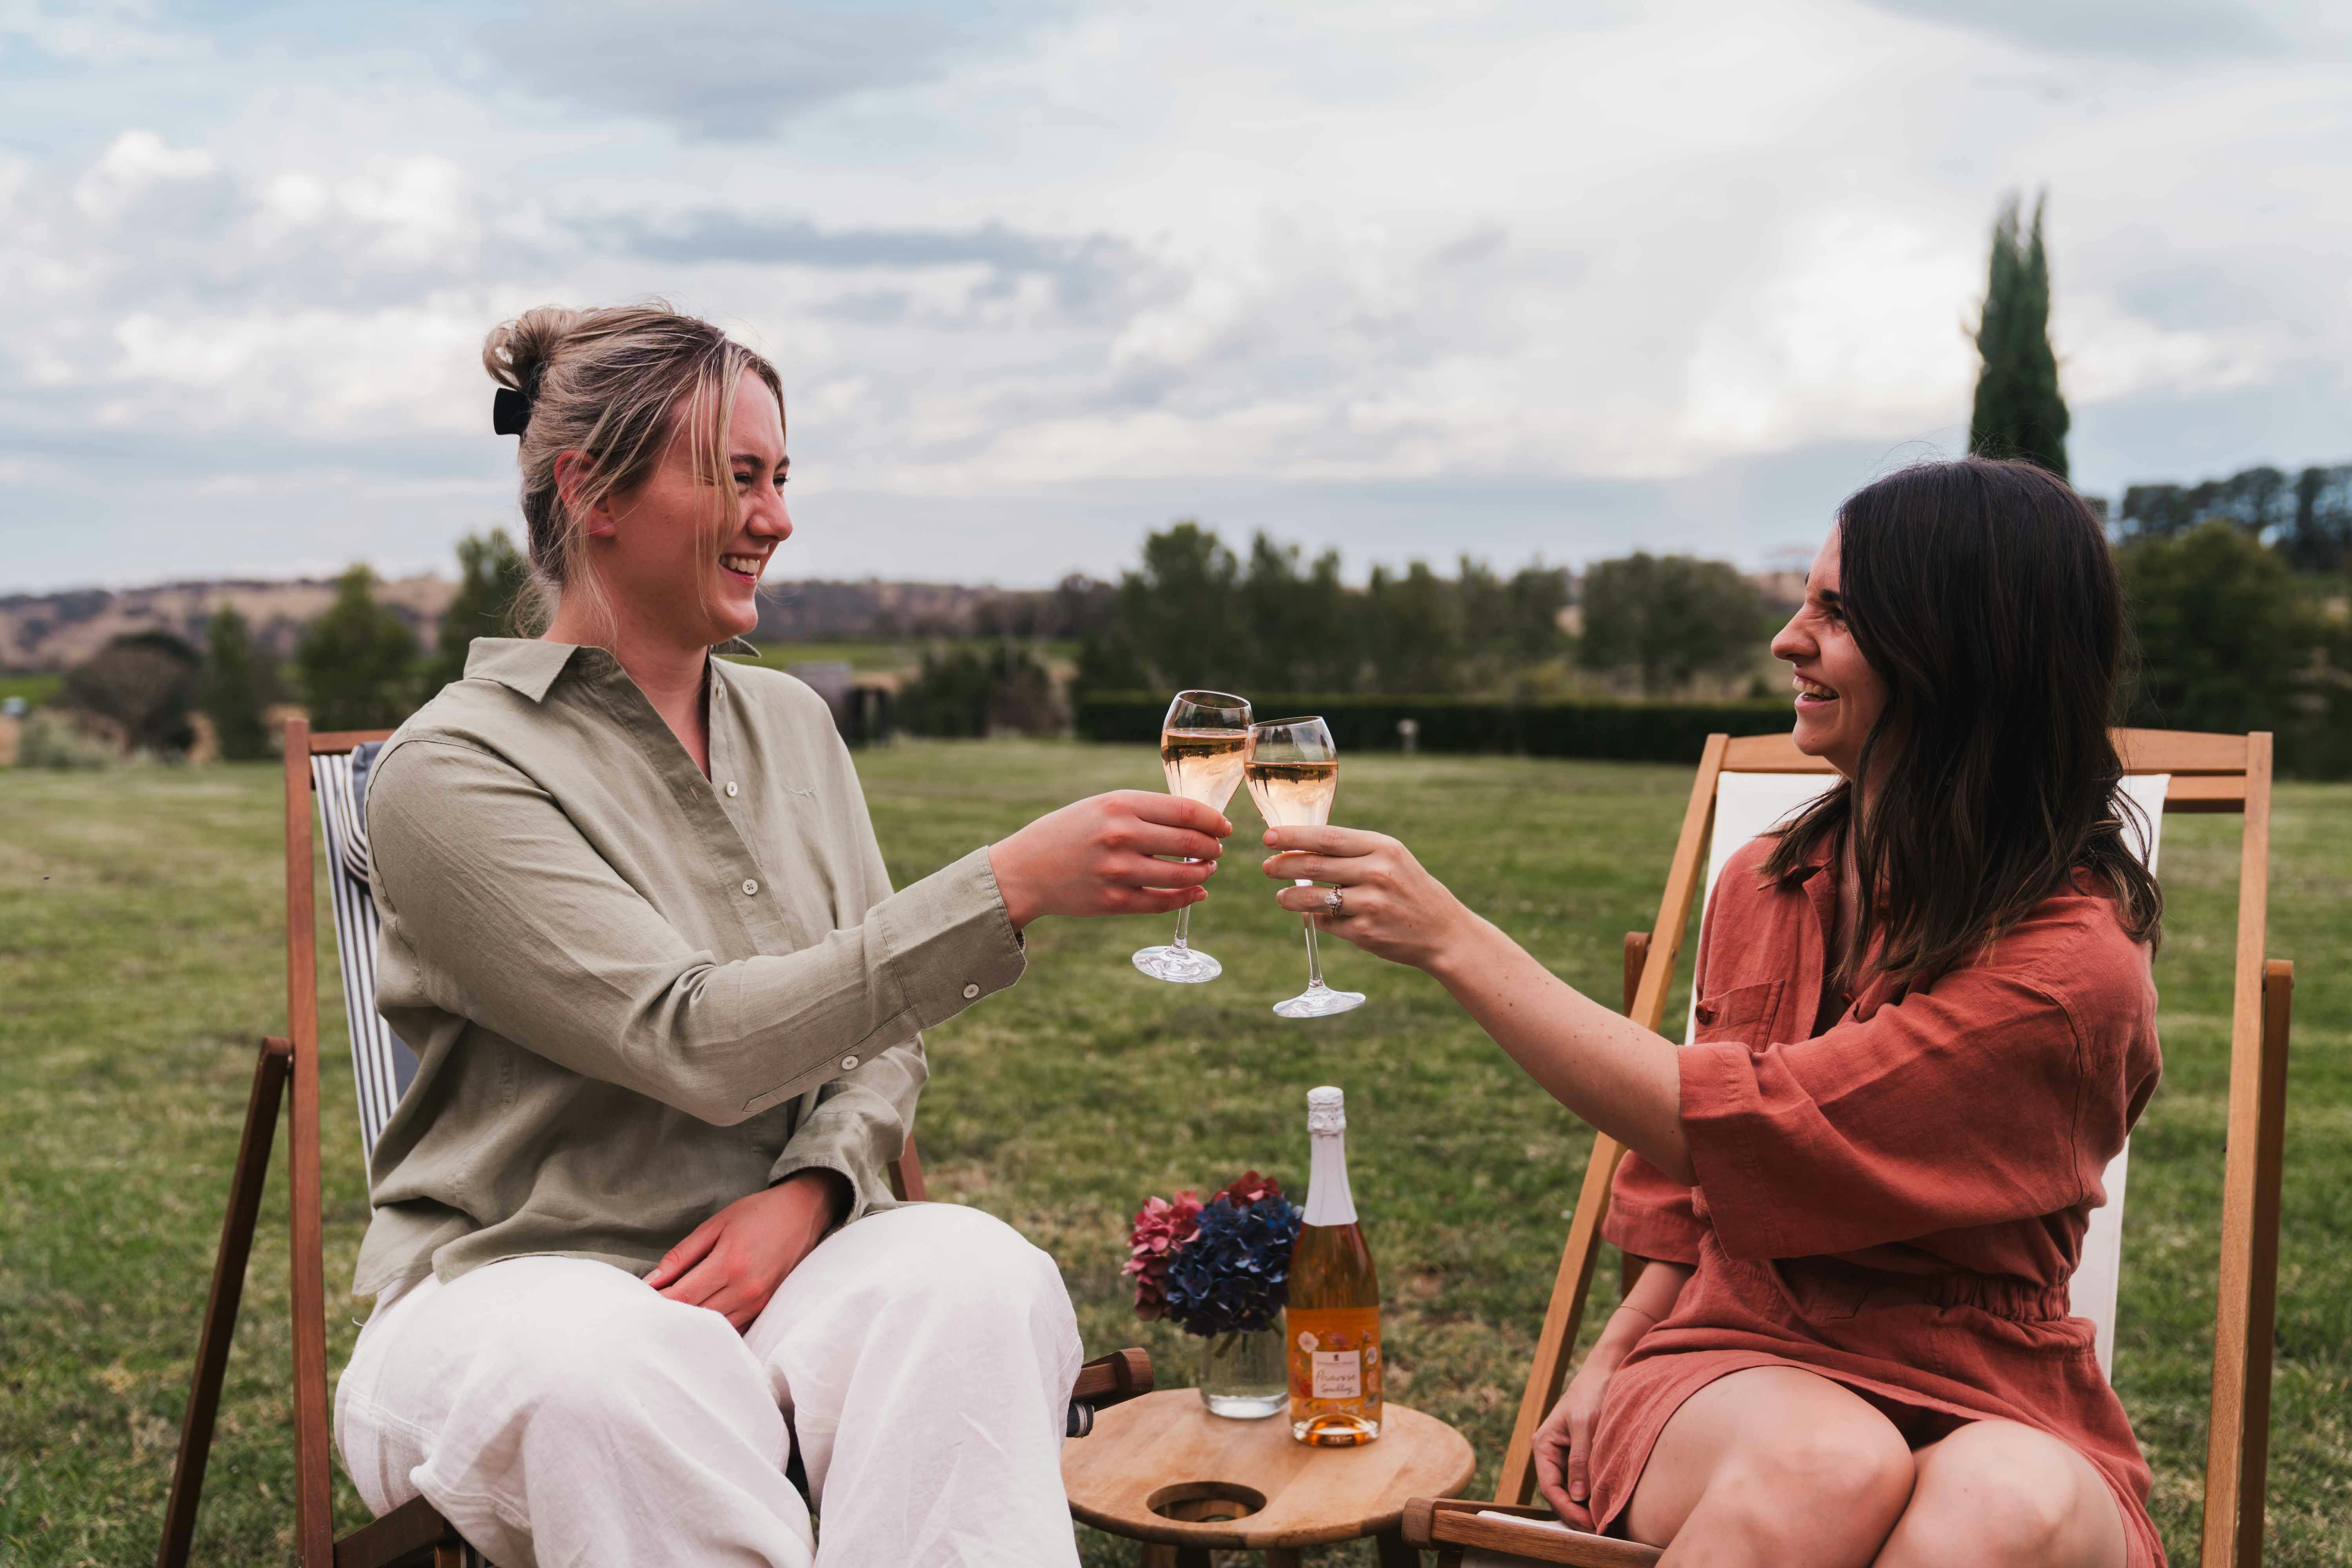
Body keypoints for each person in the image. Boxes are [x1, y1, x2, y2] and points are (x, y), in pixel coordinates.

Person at [333, 303, 1233, 1568]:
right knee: (612, 1375)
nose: (779, 516)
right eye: (737, 477)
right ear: (594, 491)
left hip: (781, 1267)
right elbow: (690, 1038)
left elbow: (878, 1033)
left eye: (781, 477)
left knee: (980, 1274)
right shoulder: (450, 772)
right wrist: (1007, 885)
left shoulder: (794, 727)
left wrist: (811, 1193)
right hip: (515, 1293)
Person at [1261, 458, 2166, 1568]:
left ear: (1955, 652)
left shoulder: (2070, 968)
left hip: (1994, 1383)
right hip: (1740, 1357)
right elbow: (1697, 1196)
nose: (1789, 640)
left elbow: (1746, 1128)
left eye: (1836, 613)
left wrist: (1455, 939)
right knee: (1828, 1467)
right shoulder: (1769, 884)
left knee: (1999, 1508)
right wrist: (1613, 1361)